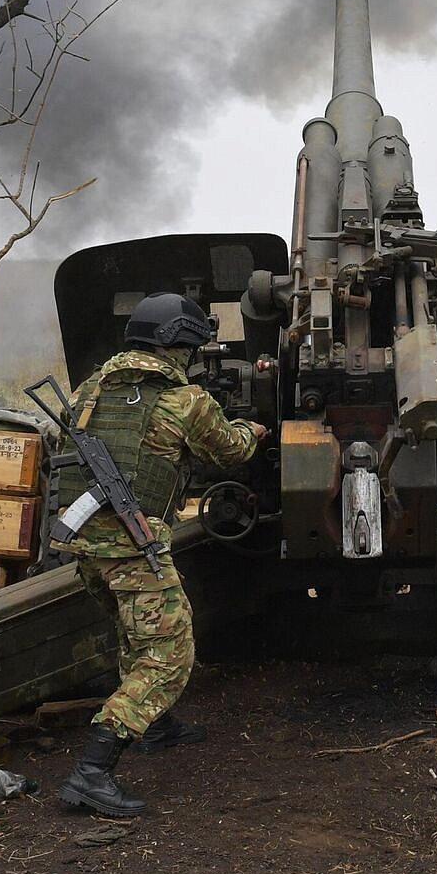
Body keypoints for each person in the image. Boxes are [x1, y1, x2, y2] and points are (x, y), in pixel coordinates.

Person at [54, 292, 267, 817]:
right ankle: (92, 771)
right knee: (170, 653)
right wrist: (252, 429)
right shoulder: (184, 401)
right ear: (179, 344)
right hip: (132, 544)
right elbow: (230, 452)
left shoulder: (89, 390)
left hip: (84, 545)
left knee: (135, 632)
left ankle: (158, 725)